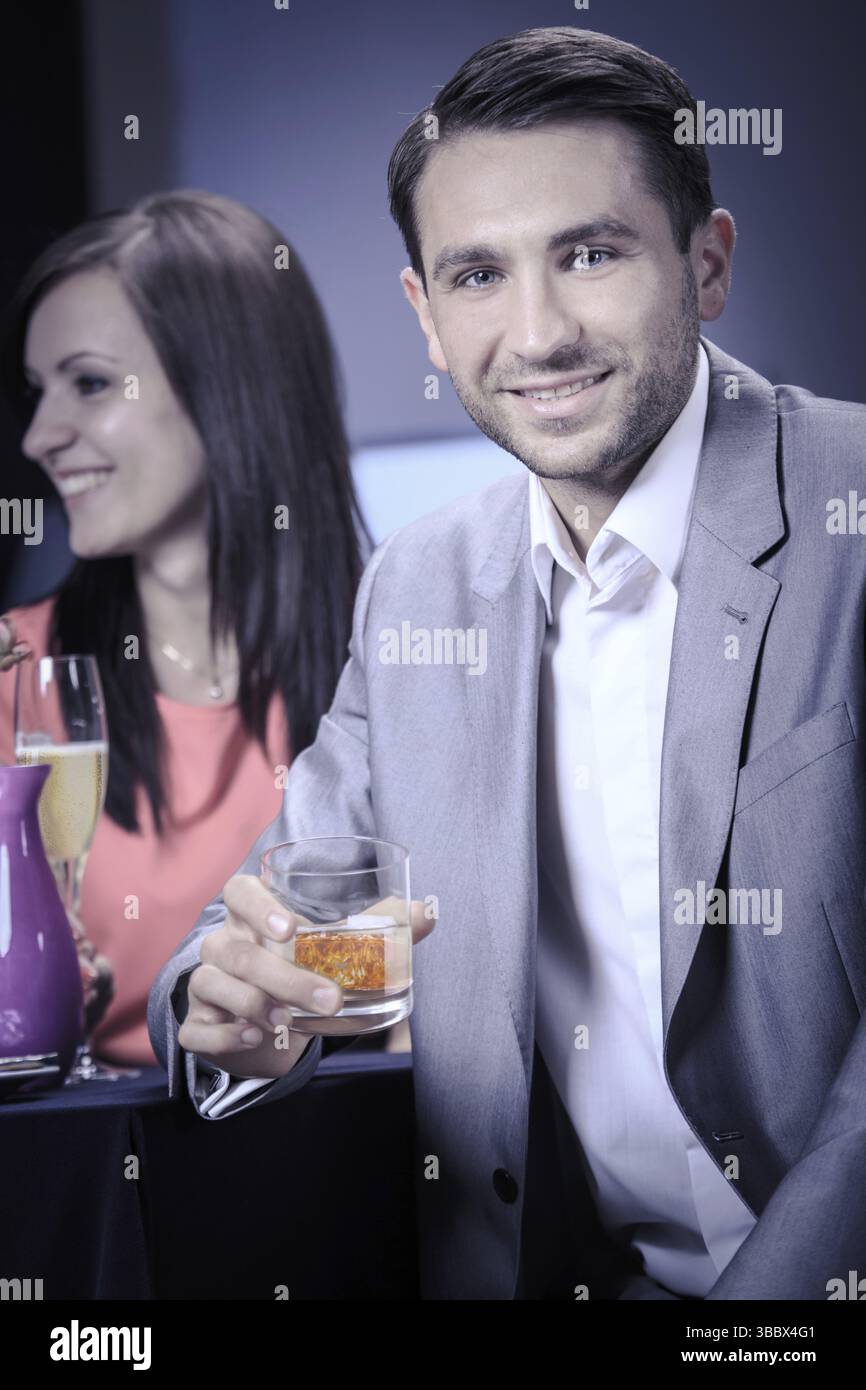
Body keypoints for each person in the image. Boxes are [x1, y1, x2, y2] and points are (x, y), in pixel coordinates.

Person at [148, 27, 866, 1300]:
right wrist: (227, 1008)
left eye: (588, 254)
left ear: (706, 264)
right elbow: (276, 919)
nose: (536, 333)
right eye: (477, 275)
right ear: (424, 314)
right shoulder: (417, 584)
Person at [0, 190, 373, 1066]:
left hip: (351, 1159)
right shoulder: (15, 671)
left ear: (228, 387)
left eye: (89, 383)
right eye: (37, 392)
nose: (40, 437)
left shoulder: (405, 656)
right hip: (94, 1179)